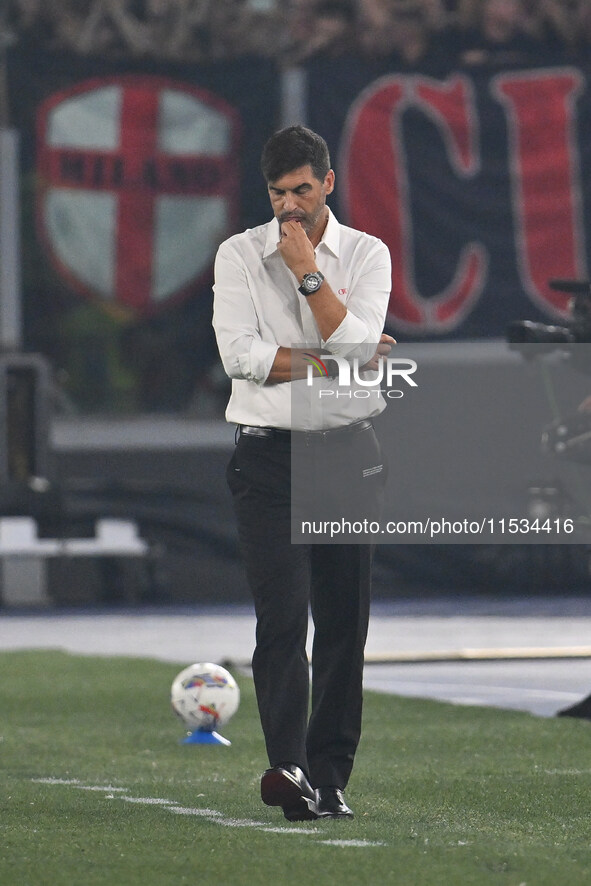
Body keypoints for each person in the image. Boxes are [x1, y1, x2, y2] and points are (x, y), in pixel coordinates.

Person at [212, 124, 393, 821]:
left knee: (345, 624)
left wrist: (307, 274)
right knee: (281, 620)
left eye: (300, 190)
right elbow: (242, 357)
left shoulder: (366, 253)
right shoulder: (237, 254)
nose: (288, 206)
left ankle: (331, 776)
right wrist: (334, 357)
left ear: (327, 184)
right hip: (266, 456)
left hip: (347, 452)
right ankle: (287, 768)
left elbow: (354, 340)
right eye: (276, 193)